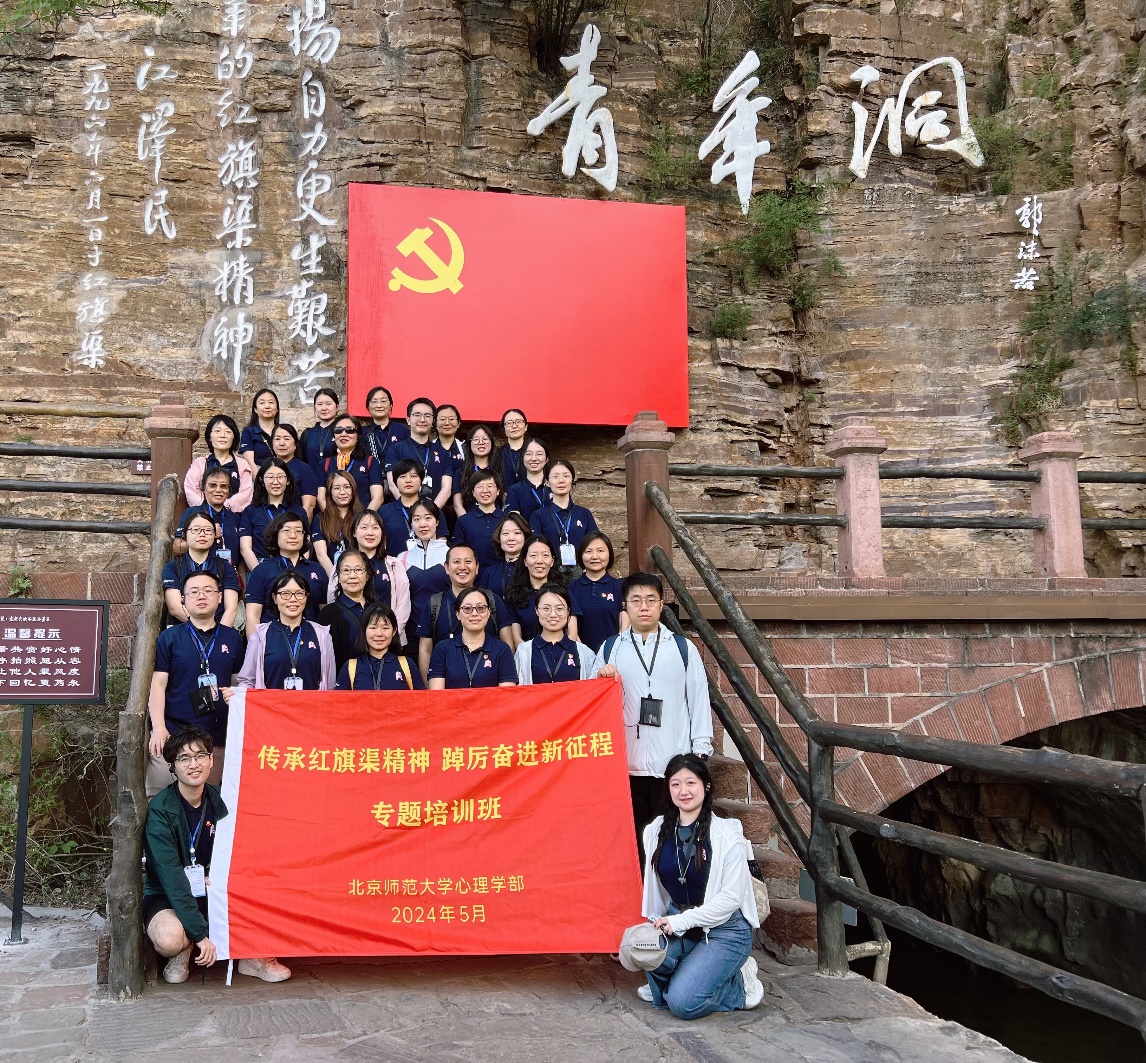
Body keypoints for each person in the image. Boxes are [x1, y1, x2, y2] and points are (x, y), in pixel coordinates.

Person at [144, 725, 291, 984]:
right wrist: (200, 935)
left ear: (211, 759)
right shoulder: (161, 809)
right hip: (168, 893)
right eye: (184, 758)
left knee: (266, 884)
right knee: (168, 939)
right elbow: (171, 878)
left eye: (200, 756)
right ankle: (184, 947)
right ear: (172, 766)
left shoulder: (223, 800)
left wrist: (222, 876)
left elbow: (247, 851)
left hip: (216, 889)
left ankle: (252, 956)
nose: (194, 764)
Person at [593, 573, 714, 857]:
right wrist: (600, 678)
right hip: (627, 764)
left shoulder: (682, 649)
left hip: (671, 761)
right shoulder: (611, 648)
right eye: (636, 600)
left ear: (661, 605)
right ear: (625, 606)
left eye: (650, 600)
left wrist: (700, 750)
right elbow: (593, 704)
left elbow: (698, 698)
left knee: (670, 840)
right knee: (632, 842)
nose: (644, 607)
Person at [637, 753, 763, 1017]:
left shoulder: (727, 834)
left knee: (682, 1003)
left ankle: (739, 982)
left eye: (690, 783)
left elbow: (731, 899)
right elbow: (656, 889)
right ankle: (685, 978)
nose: (683, 791)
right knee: (643, 951)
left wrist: (681, 922)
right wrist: (655, 922)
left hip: (724, 929)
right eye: (675, 784)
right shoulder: (656, 830)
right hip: (678, 921)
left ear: (706, 786)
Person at [147, 571, 245, 797]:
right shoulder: (169, 638)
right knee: (161, 798)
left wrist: (235, 694)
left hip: (216, 736)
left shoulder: (232, 638)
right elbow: (158, 685)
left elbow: (237, 682)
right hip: (173, 732)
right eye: (194, 592)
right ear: (183, 599)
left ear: (219, 597)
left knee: (209, 799)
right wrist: (159, 727)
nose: (201, 596)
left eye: (208, 590)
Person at [416, 544, 512, 680]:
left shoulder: (492, 600)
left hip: (490, 684)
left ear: (477, 567)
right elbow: (425, 650)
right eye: (456, 561)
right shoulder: (434, 604)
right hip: (445, 685)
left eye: (468, 561)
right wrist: (429, 688)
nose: (462, 567)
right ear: (446, 567)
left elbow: (507, 643)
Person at [236, 570, 337, 690]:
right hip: (271, 703)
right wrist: (236, 694)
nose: (293, 599)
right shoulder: (260, 636)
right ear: (274, 598)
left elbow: (330, 684)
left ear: (306, 597)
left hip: (311, 702)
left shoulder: (322, 635)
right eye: (285, 593)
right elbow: (247, 681)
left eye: (299, 593)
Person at [244, 512, 328, 629]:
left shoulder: (317, 570)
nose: (293, 536)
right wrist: (255, 641)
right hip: (272, 637)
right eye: (286, 531)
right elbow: (253, 615)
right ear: (276, 535)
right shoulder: (262, 571)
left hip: (310, 636)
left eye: (298, 531)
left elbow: (324, 612)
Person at [161, 512, 240, 628]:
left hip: (220, 629)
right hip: (182, 630)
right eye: (196, 530)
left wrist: (218, 634)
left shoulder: (225, 567)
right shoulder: (173, 567)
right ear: (185, 535)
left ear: (214, 535)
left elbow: (231, 608)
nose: (202, 534)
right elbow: (175, 608)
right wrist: (203, 629)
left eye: (208, 530)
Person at [427, 587, 517, 689]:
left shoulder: (502, 650)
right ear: (457, 614)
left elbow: (506, 694)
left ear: (488, 613)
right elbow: (437, 694)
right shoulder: (442, 649)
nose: (474, 613)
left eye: (481, 608)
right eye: (467, 608)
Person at [503, 535, 579, 648]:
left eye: (545, 555)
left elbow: (572, 634)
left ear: (552, 561)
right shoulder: (515, 595)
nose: (539, 561)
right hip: (528, 655)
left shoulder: (563, 592)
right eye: (533, 556)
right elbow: (517, 639)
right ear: (525, 561)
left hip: (562, 653)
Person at [513, 584, 596, 684]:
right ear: (537, 611)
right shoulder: (523, 651)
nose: (553, 615)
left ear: (568, 612)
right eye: (546, 608)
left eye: (559, 609)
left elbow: (593, 687)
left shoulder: (584, 653)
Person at [398, 498, 451, 649]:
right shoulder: (402, 558)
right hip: (412, 632)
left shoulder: (451, 555)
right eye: (416, 519)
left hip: (447, 631)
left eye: (428, 518)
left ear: (437, 522)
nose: (422, 524)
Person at [350, 510, 412, 637]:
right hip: (351, 636)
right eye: (364, 527)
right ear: (354, 533)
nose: (370, 533)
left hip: (387, 637)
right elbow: (334, 598)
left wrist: (391, 633)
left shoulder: (394, 564)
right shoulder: (343, 565)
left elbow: (403, 604)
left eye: (375, 528)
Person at [239, 459, 308, 571]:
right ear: (262, 480)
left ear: (288, 480)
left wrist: (295, 573)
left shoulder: (299, 511)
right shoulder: (251, 511)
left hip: (293, 568)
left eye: (280, 477)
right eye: (270, 477)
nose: (275, 482)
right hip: (260, 566)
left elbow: (306, 545)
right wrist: (260, 574)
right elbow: (245, 549)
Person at [336, 603, 425, 690]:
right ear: (364, 630)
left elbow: (423, 698)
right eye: (373, 628)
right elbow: (338, 699)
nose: (379, 634)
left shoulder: (407, 665)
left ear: (394, 631)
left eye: (385, 628)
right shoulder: (350, 667)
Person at [530, 459, 598, 570]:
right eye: (555, 477)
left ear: (572, 480)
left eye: (566, 476)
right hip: (550, 572)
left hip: (581, 572)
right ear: (547, 482)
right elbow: (535, 546)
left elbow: (595, 543)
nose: (561, 481)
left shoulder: (584, 514)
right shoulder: (539, 516)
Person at [385, 397, 452, 509]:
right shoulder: (395, 449)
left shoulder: (443, 453)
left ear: (433, 421)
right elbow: (392, 484)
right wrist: (411, 510)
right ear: (408, 420)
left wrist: (431, 513)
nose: (422, 419)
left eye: (427, 416)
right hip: (403, 512)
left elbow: (447, 488)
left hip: (434, 514)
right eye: (417, 415)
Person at [568, 531, 628, 653]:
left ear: (609, 554)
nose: (594, 556)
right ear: (581, 555)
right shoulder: (572, 588)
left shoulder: (619, 587)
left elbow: (624, 629)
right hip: (581, 654)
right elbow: (571, 630)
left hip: (612, 653)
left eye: (600, 551)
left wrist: (615, 651)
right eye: (588, 551)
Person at [318, 549, 376, 668]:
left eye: (358, 570)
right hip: (344, 677)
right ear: (338, 576)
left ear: (367, 575)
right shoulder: (328, 614)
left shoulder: (379, 610)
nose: (352, 576)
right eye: (346, 570)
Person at [184, 414, 253, 512]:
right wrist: (208, 508)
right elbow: (191, 489)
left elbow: (246, 492)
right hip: (204, 515)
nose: (222, 435)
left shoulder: (242, 464)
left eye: (228, 432)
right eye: (217, 431)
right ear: (209, 437)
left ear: (234, 437)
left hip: (234, 516)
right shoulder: (200, 463)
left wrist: (222, 506)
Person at [318, 413, 384, 511]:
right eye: (338, 430)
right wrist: (332, 517)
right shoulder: (325, 464)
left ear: (358, 436)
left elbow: (378, 497)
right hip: (333, 518)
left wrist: (364, 518)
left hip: (363, 517)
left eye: (350, 430)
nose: (343, 434)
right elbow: (321, 498)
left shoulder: (370, 462)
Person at [312, 470, 363, 577]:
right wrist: (336, 579)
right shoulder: (320, 518)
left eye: (347, 487)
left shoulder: (363, 516)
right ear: (329, 491)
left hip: (359, 575)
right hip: (331, 575)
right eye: (336, 488)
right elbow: (321, 555)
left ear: (353, 489)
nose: (342, 492)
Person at [451, 469, 504, 570]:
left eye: (490, 486)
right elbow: (457, 551)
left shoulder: (507, 520)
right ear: (473, 492)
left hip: (501, 574)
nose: (485, 490)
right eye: (480, 486)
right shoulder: (464, 521)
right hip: (472, 574)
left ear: (498, 491)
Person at [191, 467, 241, 564]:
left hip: (229, 572)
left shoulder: (235, 519)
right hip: (199, 571)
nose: (218, 490)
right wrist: (208, 534)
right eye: (212, 485)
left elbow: (241, 557)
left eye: (223, 486)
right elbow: (177, 548)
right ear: (203, 488)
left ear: (229, 491)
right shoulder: (192, 513)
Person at [477, 513, 530, 600]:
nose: (511, 538)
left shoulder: (532, 569)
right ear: (498, 538)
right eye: (505, 533)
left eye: (517, 533)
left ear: (525, 537)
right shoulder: (489, 573)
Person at [378, 458, 425, 558]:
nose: (408, 480)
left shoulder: (431, 509)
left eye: (413, 476)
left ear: (421, 480)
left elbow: (440, 542)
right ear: (395, 482)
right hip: (394, 564)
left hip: (426, 566)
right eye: (402, 476)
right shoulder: (384, 511)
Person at [271, 423, 319, 518]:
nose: (282, 443)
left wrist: (301, 525)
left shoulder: (304, 469)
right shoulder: (267, 467)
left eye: (287, 439)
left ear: (296, 444)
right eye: (277, 439)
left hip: (294, 522)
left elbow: (309, 506)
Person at [453, 424, 496, 518]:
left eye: (485, 439)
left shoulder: (499, 470)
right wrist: (468, 523)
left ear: (491, 442)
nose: (481, 442)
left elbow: (505, 502)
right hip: (468, 522)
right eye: (476, 439)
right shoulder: (461, 473)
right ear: (469, 444)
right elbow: (457, 505)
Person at [504, 437, 551, 522]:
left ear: (547, 459)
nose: (534, 458)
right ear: (522, 458)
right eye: (529, 454)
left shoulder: (554, 487)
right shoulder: (515, 490)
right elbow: (513, 522)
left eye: (539, 454)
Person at [361, 386, 409, 465]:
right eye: (374, 401)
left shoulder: (402, 430)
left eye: (383, 401)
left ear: (391, 406)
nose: (379, 405)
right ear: (368, 407)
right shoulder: (362, 432)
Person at [299, 387, 340, 476]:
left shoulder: (342, 432)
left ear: (337, 407)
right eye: (320, 404)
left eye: (328, 404)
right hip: (311, 482)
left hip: (335, 482)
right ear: (315, 408)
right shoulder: (308, 434)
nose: (324, 408)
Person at [239, 388, 280, 472]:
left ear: (277, 409)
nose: (267, 406)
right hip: (259, 474)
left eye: (271, 402)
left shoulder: (283, 431)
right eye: (262, 403)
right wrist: (260, 479)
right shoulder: (249, 432)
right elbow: (250, 463)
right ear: (255, 409)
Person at [434, 403, 465, 489]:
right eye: (442, 419)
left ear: (458, 423)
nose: (447, 423)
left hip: (461, 494)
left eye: (451, 419)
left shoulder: (465, 448)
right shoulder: (428, 448)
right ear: (435, 423)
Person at [496, 409, 529, 490]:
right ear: (504, 428)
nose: (514, 426)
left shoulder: (536, 451)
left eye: (518, 422)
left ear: (526, 427)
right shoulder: (497, 453)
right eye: (509, 423)